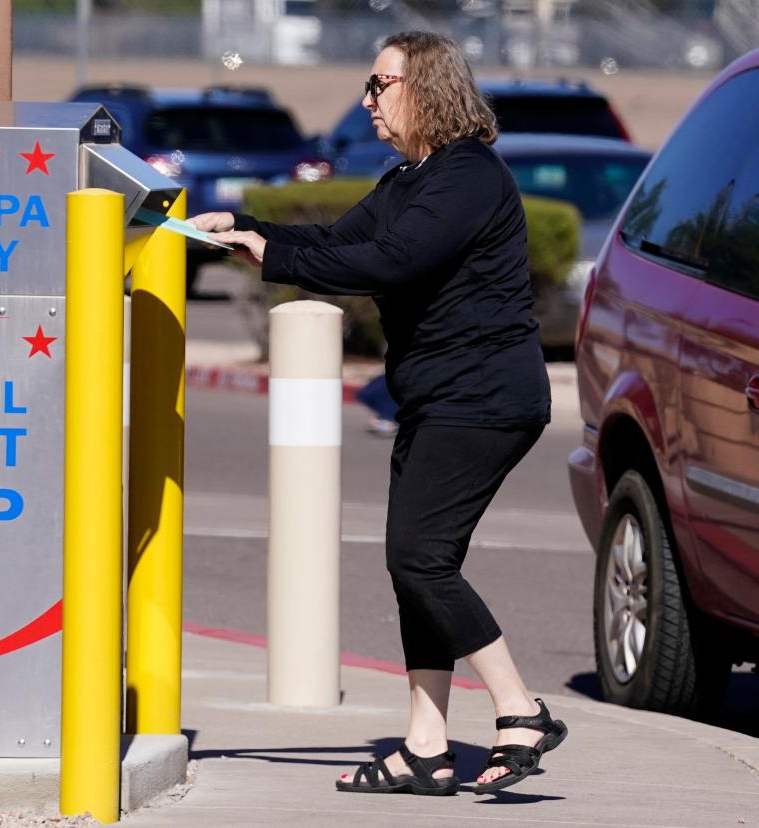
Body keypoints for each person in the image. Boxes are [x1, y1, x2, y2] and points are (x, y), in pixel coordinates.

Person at [188, 30, 566, 797]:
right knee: (420, 570)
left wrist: (278, 258)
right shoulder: (410, 180)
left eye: (380, 83)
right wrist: (245, 238)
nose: (367, 99)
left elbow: (390, 263)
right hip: (438, 394)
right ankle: (426, 745)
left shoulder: (468, 179)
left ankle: (520, 709)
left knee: (418, 557)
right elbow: (337, 240)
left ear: (425, 88)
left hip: (485, 396)